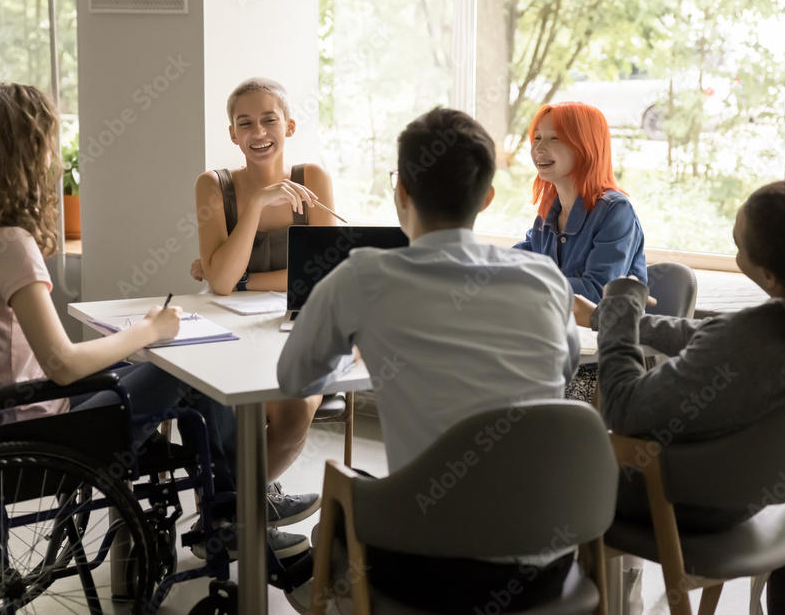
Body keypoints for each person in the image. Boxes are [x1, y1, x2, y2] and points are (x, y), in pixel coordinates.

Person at [0, 82, 310, 559]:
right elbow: (61, 364)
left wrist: (143, 340)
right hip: (44, 430)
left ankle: (228, 513)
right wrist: (148, 332)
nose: (51, 159)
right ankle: (233, 518)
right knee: (194, 369)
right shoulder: (11, 247)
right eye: (46, 146)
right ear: (19, 157)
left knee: (172, 361)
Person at [278, 107, 583, 612]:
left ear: (401, 192)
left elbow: (294, 377)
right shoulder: (545, 278)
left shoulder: (363, 277)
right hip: (546, 568)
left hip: (428, 571)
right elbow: (565, 374)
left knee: (328, 534)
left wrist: (356, 353)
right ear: (486, 199)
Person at [580, 180, 785, 613]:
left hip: (682, 503)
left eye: (737, 244)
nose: (734, 252)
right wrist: (611, 318)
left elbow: (624, 408)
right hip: (761, 492)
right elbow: (716, 338)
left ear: (767, 275)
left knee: (557, 463)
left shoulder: (753, 342)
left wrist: (618, 304)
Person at [191, 78, 336, 506]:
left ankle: (228, 508)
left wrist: (242, 279)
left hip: (297, 327)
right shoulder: (212, 186)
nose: (258, 133)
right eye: (245, 123)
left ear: (289, 126)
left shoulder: (313, 179)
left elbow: (322, 273)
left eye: (269, 120)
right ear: (232, 134)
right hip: (228, 329)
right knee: (230, 406)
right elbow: (219, 284)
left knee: (293, 415)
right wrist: (255, 205)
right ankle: (244, 512)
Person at [514, 101, 647, 401]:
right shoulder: (547, 213)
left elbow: (596, 293)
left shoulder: (615, 211)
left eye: (554, 138)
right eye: (537, 137)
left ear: (585, 146)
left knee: (523, 404)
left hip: (597, 360)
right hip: (552, 346)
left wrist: (528, 282)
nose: (539, 148)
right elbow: (514, 264)